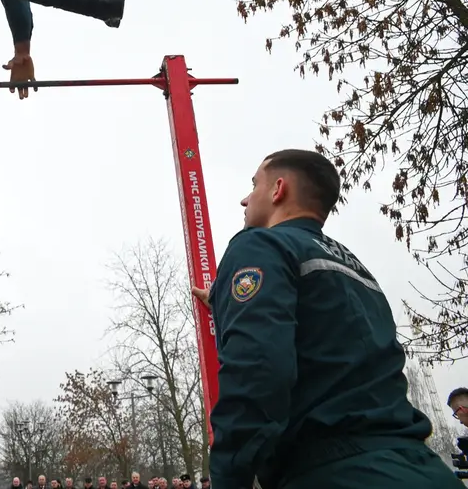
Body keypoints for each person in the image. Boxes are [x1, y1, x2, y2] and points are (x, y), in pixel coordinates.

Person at [191, 149, 463, 488]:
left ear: (278, 189)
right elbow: (326, 338)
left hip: (334, 472)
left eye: (254, 185)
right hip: (420, 467)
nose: (245, 200)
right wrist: (223, 298)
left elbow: (258, 368)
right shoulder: (356, 269)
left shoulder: (258, 246)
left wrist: (230, 475)